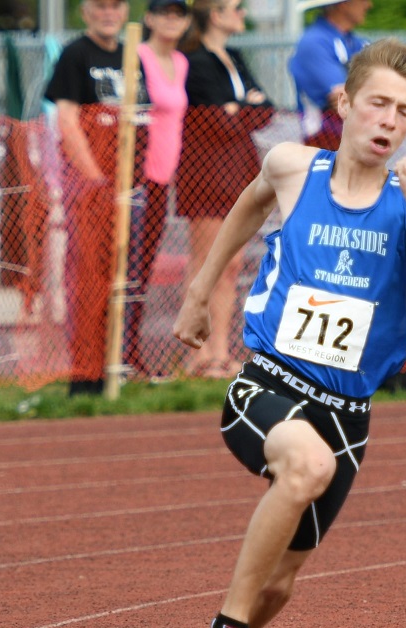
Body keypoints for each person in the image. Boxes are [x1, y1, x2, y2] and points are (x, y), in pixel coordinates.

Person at [171, 38, 406, 628]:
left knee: (279, 582)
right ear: (345, 104)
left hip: (347, 411)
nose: (388, 120)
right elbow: (244, 207)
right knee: (304, 465)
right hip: (267, 382)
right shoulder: (292, 167)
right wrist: (200, 289)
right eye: (377, 104)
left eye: (404, 111)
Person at [176, 0, 273, 377]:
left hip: (238, 171)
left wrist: (239, 110)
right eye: (236, 7)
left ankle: (219, 350)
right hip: (206, 172)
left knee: (232, 265)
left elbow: (266, 109)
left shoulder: (233, 54)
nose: (242, 14)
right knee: (208, 263)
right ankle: (198, 353)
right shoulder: (195, 60)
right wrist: (239, 110)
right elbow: (215, 121)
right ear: (214, 14)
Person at [44, 0, 134, 396]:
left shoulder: (132, 55)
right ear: (85, 11)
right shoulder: (76, 54)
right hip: (94, 189)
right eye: (100, 6)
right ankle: (85, 373)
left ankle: (116, 362)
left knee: (125, 280)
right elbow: (67, 119)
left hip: (131, 188)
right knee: (88, 279)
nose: (108, 13)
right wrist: (95, 178)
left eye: (116, 5)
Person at [124, 0, 190, 379]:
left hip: (165, 177)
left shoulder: (180, 62)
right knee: (126, 267)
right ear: (148, 18)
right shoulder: (138, 55)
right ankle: (116, 352)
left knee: (144, 267)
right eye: (163, 12)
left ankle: (132, 352)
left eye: (178, 13)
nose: (171, 19)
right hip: (138, 175)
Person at [288, 0, 371, 151]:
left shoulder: (356, 42)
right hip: (324, 146)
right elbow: (341, 98)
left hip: (355, 143)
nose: (369, 5)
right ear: (343, 4)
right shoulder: (314, 42)